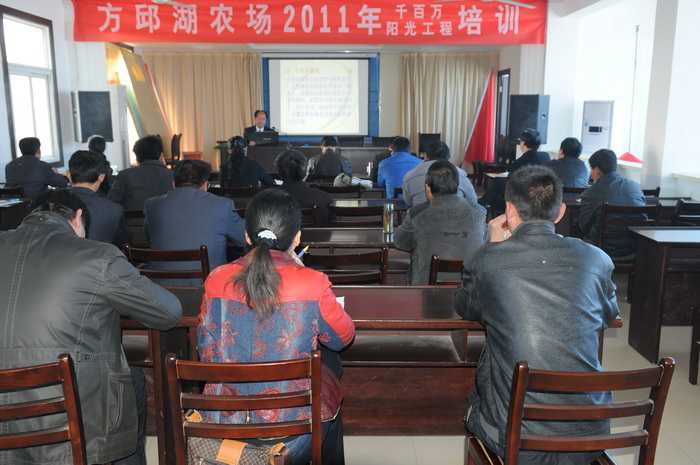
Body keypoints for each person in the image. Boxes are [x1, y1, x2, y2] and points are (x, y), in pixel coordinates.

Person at [0, 188, 182, 465]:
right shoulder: (98, 256)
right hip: (72, 417)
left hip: (7, 416)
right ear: (77, 217)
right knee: (131, 379)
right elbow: (168, 313)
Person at [455, 166, 620, 465]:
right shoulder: (597, 259)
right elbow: (608, 316)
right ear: (560, 212)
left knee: (472, 401)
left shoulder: (485, 259)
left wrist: (492, 247)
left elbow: (466, 308)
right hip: (590, 436)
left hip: (517, 442)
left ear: (509, 210)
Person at [198, 189, 355, 465]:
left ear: (247, 236)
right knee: (330, 363)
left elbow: (205, 347)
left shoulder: (216, 278)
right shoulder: (313, 282)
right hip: (290, 430)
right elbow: (342, 337)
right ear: (297, 238)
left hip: (224, 422)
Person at [144, 159, 246, 286]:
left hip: (159, 288)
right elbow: (244, 238)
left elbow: (149, 238)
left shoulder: (152, 205)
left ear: (174, 184)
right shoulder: (223, 206)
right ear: (204, 185)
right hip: (208, 287)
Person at [394, 160, 487, 284]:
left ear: (428, 188)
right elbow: (484, 242)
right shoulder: (479, 212)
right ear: (458, 187)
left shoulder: (416, 213)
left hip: (425, 289)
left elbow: (400, 242)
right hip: (469, 288)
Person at [578, 149, 646, 258]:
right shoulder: (635, 187)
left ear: (597, 170)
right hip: (633, 247)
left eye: (591, 169)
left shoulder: (591, 192)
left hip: (602, 249)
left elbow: (584, 226)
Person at [68, 150, 131, 248]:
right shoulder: (114, 210)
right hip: (101, 257)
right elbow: (124, 243)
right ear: (101, 177)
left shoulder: (50, 204)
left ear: (68, 174)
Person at [478, 129, 550, 214]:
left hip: (523, 196)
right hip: (541, 194)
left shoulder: (520, 162)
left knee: (499, 184)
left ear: (523, 143)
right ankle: (480, 204)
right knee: (497, 194)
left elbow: (512, 182)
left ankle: (480, 205)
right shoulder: (545, 156)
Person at [107, 135, 174, 211]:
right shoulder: (173, 176)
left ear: (137, 159)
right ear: (161, 156)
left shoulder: (125, 175)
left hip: (133, 218)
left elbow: (110, 204)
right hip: (168, 218)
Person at [401, 140, 478, 206]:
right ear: (449, 158)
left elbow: (408, 202)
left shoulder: (410, 176)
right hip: (455, 217)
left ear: (425, 156)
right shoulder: (460, 174)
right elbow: (473, 201)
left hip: (419, 217)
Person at [275, 149, 332, 226]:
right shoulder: (324, 198)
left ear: (278, 171)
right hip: (315, 234)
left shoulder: (266, 199)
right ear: (306, 172)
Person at [4, 136, 68, 199]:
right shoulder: (42, 166)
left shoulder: (10, 165)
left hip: (9, 203)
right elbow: (63, 183)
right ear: (38, 150)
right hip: (32, 203)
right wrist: (54, 173)